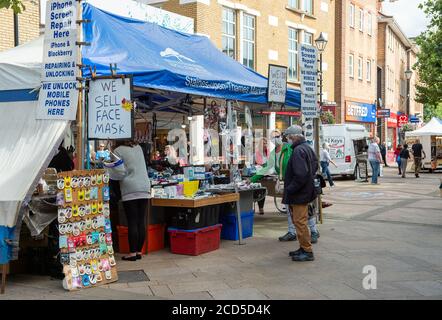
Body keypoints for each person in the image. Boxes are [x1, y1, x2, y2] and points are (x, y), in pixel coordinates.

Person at [282, 125, 318, 262]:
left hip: (299, 194)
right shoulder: (307, 148)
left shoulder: (298, 151)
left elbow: (301, 175)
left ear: (294, 136)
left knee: (300, 222)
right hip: (305, 191)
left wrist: (289, 188)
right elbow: (314, 167)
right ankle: (303, 247)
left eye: (288, 137)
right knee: (300, 221)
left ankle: (307, 251)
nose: (287, 140)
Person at [114, 140, 150, 261]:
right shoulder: (138, 147)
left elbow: (120, 172)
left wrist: (109, 171)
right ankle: (139, 251)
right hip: (145, 186)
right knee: (141, 220)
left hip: (130, 187)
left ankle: (132, 253)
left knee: (132, 221)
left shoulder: (118, 151)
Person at [250, 130, 283, 215]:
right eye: (273, 138)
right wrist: (252, 179)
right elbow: (266, 167)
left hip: (280, 179)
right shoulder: (259, 154)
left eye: (277, 137)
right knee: (260, 189)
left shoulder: (285, 149)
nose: (265, 145)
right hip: (261, 176)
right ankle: (260, 207)